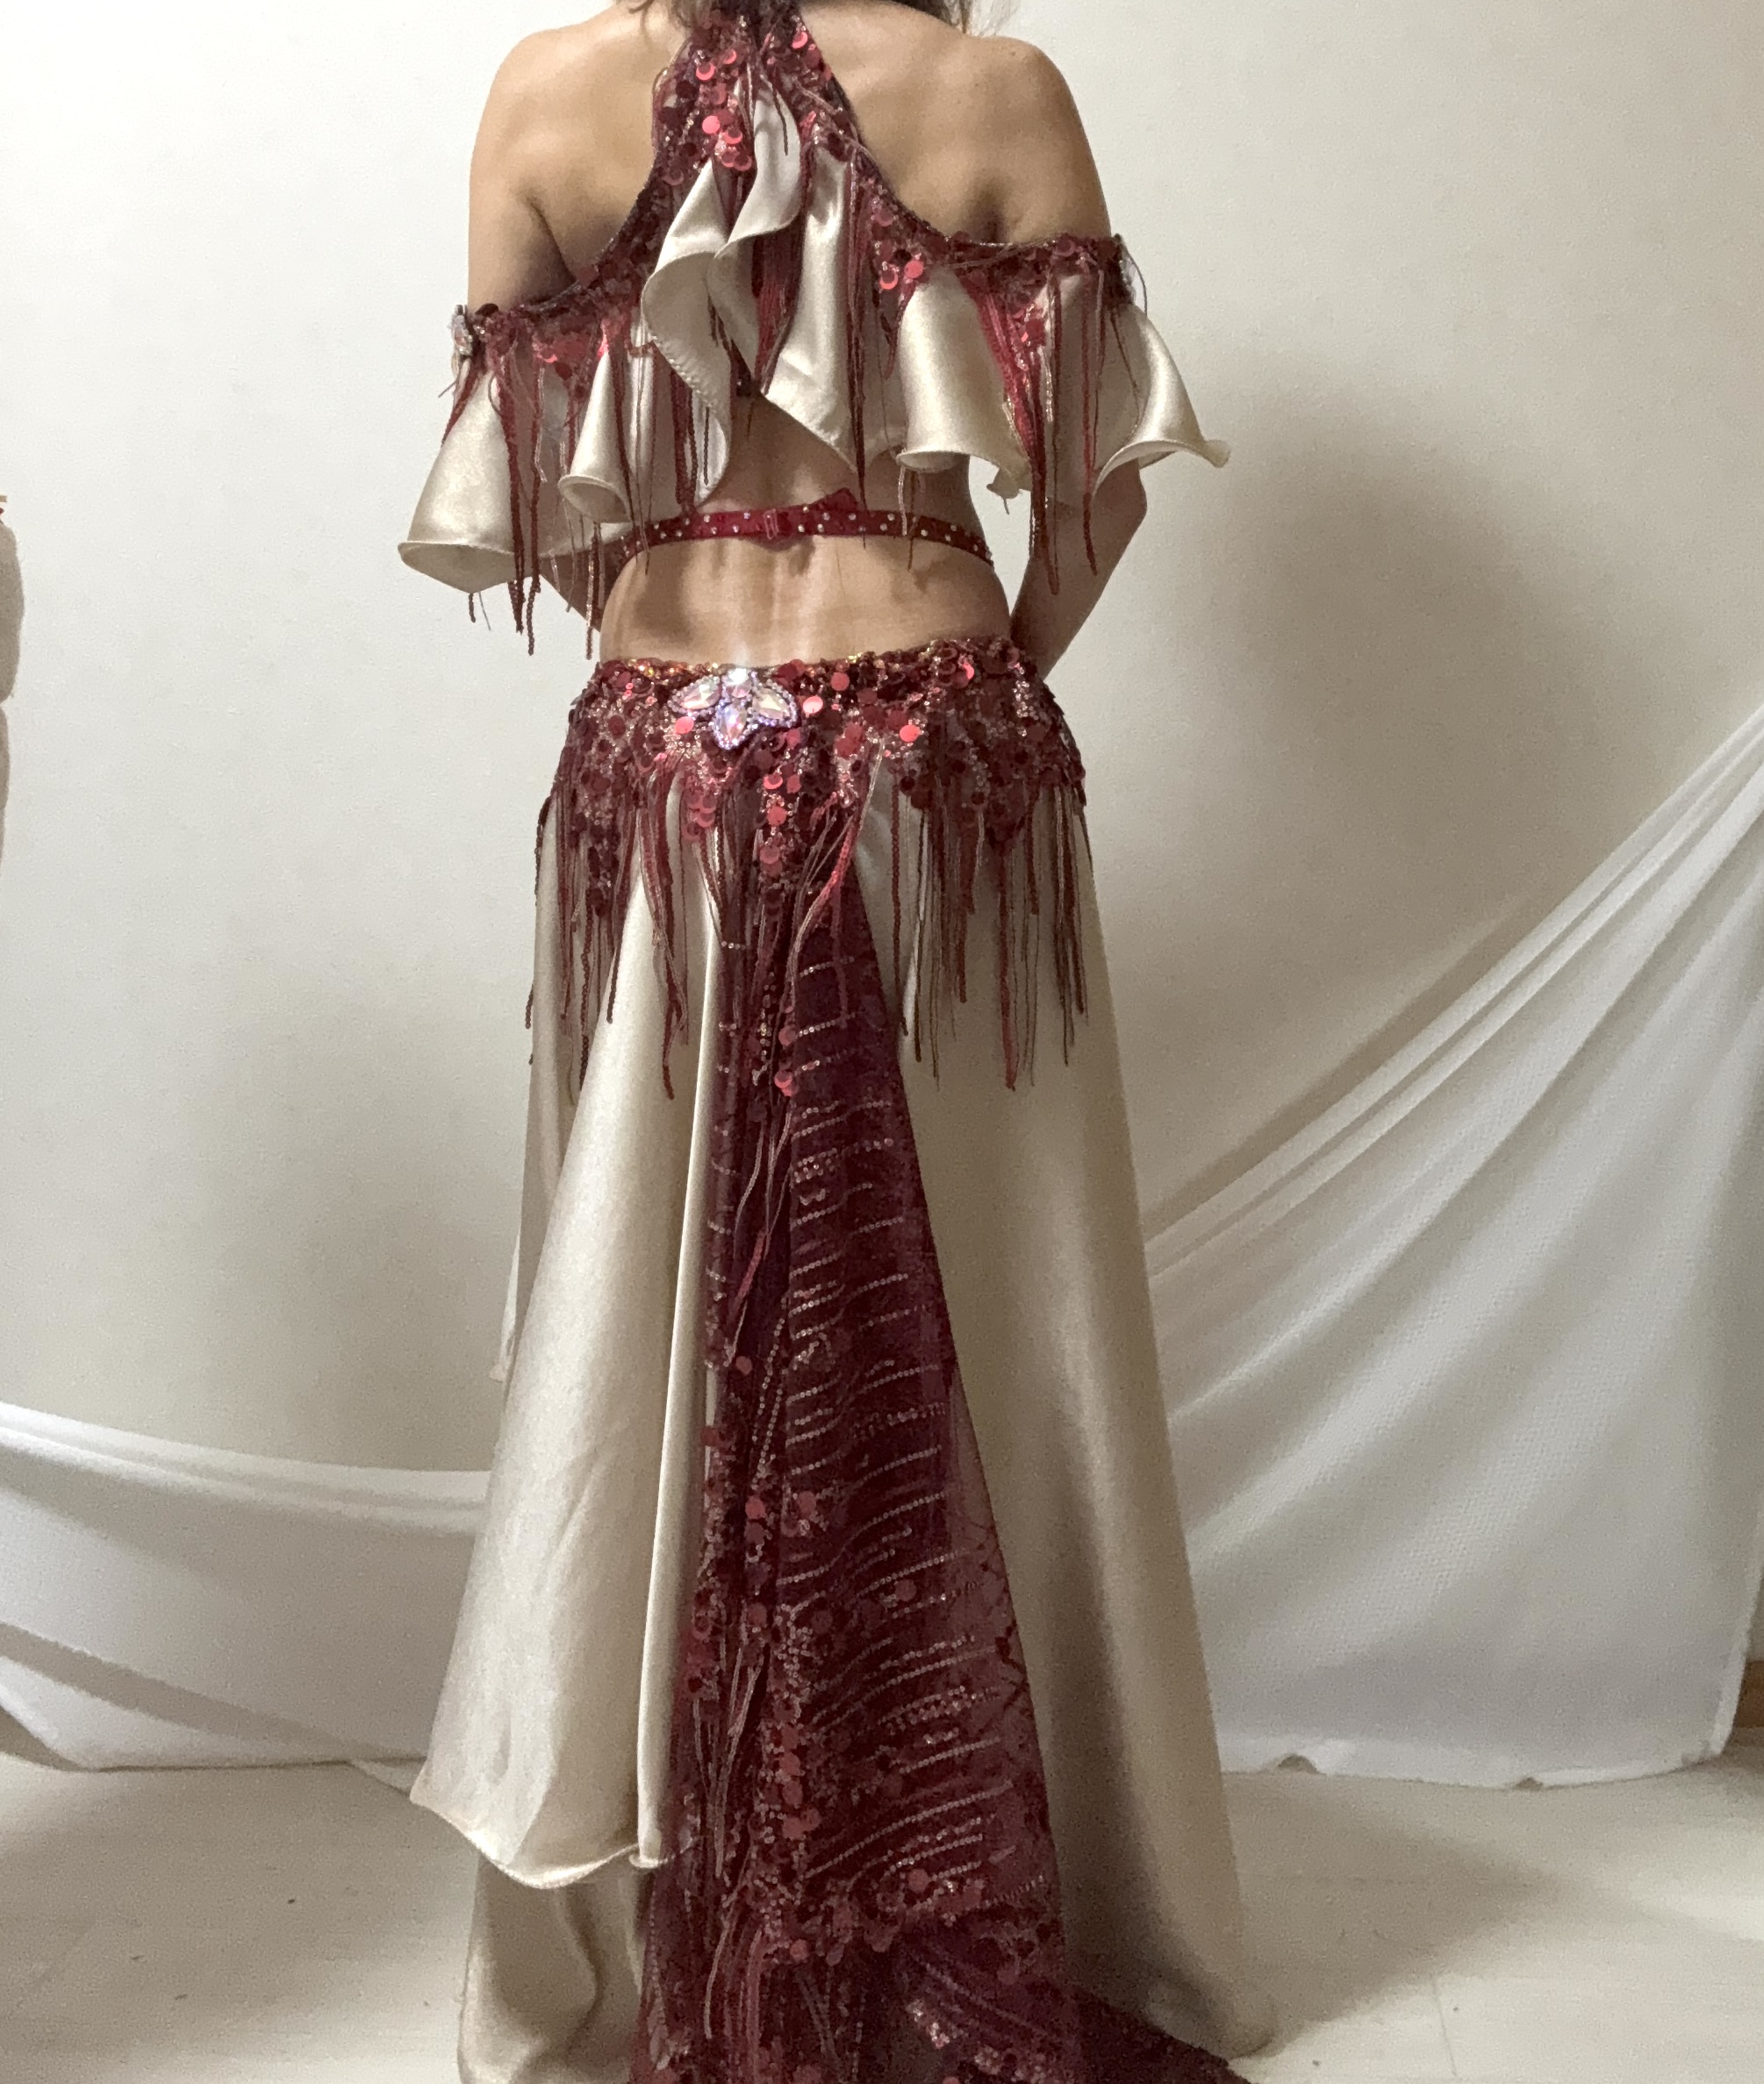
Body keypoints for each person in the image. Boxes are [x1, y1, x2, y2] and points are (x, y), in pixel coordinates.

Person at [399, 4, 1274, 2080]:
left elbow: (546, 501)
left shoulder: (543, 93)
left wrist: (696, 642)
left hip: (661, 765)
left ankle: (661, 1868)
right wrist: (966, 675)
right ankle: (1008, 1870)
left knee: (642, 1320)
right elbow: (1096, 500)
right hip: (939, 772)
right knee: (1006, 1327)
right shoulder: (1000, 92)